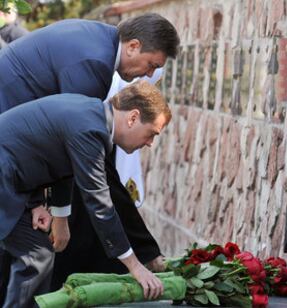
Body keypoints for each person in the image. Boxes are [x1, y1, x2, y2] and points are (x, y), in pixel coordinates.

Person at [0, 12, 179, 303]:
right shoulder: (94, 66)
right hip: (7, 159)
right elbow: (90, 183)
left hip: (17, 162)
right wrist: (135, 262)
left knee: (35, 254)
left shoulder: (98, 43)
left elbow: (57, 150)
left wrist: (40, 205)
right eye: (151, 65)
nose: (147, 76)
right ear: (133, 46)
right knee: (31, 254)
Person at [51, 69, 165, 290]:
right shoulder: (95, 128)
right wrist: (138, 261)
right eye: (150, 65)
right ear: (133, 116)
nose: (150, 143)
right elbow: (101, 198)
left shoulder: (100, 119)